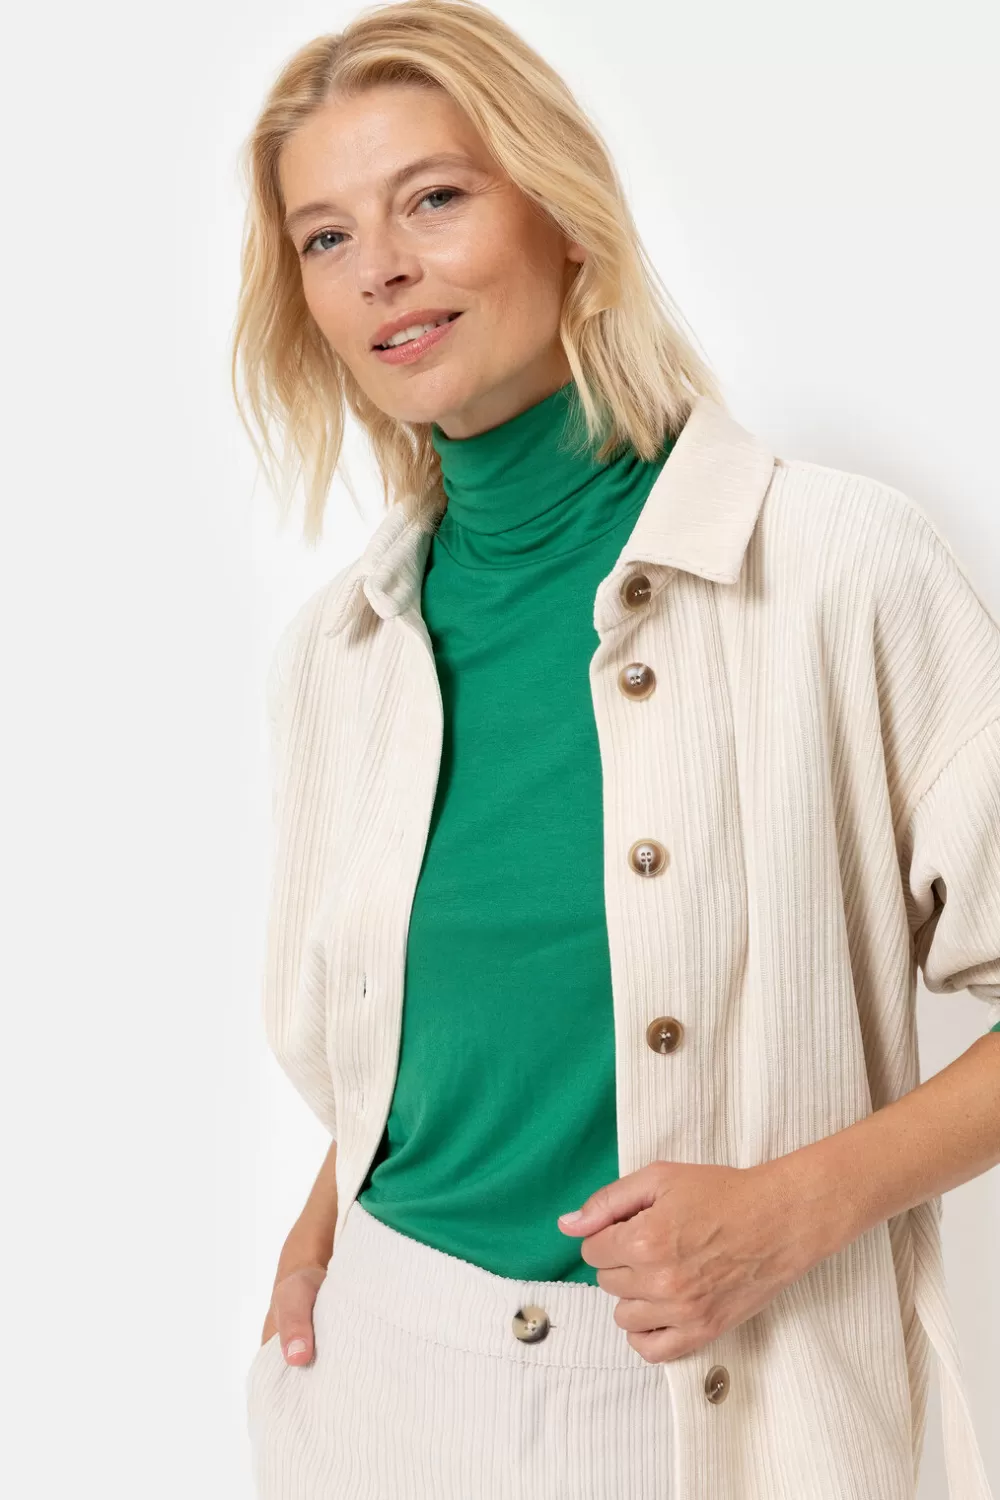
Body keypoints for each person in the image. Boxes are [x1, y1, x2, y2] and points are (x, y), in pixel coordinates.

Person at [230, 3, 1000, 1496]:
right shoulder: (340, 656)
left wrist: (792, 1214)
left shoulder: (838, 567)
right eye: (325, 237)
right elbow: (447, 1023)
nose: (379, 266)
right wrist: (329, 1211)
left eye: (432, 199)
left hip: (710, 1404)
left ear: (566, 217)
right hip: (373, 1388)